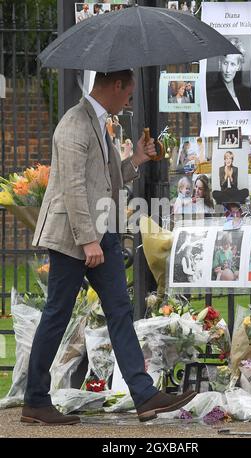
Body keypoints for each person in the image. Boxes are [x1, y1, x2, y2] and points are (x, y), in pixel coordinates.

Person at [21, 70, 196, 425]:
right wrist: (88, 239)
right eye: (128, 93)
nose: (129, 101)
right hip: (74, 237)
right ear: (115, 86)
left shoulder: (100, 123)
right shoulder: (74, 124)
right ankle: (35, 400)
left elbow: (106, 178)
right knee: (57, 313)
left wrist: (138, 161)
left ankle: (144, 396)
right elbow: (72, 187)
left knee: (119, 310)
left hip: (102, 232)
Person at [206, 37, 251, 112]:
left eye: (232, 64)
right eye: (225, 63)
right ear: (220, 63)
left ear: (238, 66)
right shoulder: (211, 94)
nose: (228, 70)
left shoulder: (247, 93)